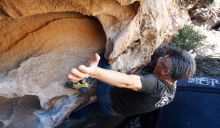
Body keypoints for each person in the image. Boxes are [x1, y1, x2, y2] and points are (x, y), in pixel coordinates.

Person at [67, 44, 196, 116]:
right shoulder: (172, 86)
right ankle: (71, 117)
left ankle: (80, 84)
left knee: (105, 60)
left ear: (166, 72)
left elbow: (129, 81)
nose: (160, 59)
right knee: (91, 110)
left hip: (109, 99)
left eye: (163, 60)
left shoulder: (154, 84)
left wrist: (94, 72)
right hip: (115, 111)